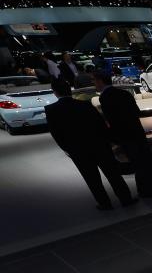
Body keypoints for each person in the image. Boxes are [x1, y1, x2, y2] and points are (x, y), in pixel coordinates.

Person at [45, 78, 135, 210]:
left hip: (78, 150)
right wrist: (110, 141)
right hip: (100, 146)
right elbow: (101, 125)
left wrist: (68, 149)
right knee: (113, 174)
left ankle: (105, 204)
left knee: (92, 179)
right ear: (69, 90)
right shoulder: (85, 105)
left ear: (55, 93)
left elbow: (56, 134)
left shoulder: (51, 110)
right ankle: (126, 199)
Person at [94, 70, 152, 197]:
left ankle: (147, 191)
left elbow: (112, 120)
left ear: (100, 81)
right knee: (148, 160)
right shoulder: (124, 93)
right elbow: (137, 112)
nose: (93, 83)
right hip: (138, 132)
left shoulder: (105, 98)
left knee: (137, 163)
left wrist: (114, 138)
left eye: (94, 80)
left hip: (125, 136)